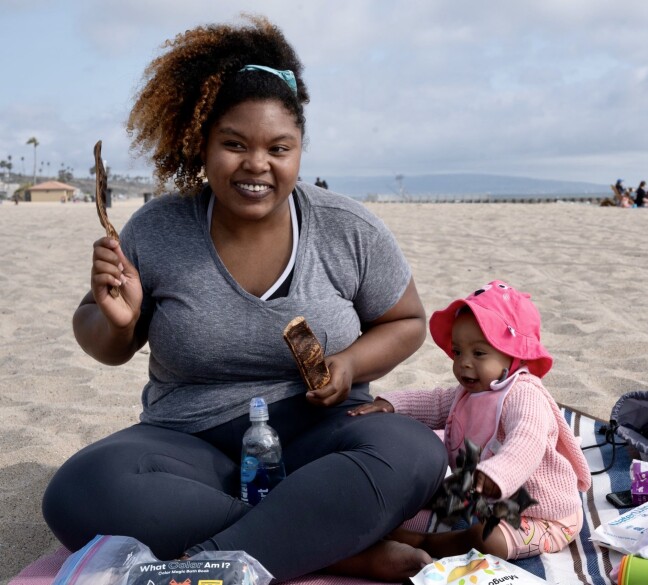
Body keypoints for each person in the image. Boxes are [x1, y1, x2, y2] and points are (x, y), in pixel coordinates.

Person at [41, 15, 447, 583]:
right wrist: (117, 319)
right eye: (234, 144)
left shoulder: (347, 229)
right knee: (78, 491)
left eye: (279, 147)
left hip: (319, 439)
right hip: (190, 446)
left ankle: (236, 551)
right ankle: (334, 547)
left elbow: (406, 320)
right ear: (201, 145)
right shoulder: (157, 229)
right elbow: (107, 345)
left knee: (415, 452)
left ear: (300, 150)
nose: (257, 164)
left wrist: (351, 363)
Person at [350, 281, 591, 560]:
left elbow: (528, 438)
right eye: (457, 352)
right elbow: (436, 402)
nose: (464, 362)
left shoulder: (524, 395)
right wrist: (391, 404)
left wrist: (497, 473)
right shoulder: (469, 393)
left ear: (513, 355)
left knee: (486, 539)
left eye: (478, 353)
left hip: (544, 516)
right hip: (484, 496)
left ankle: (427, 542)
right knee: (431, 487)